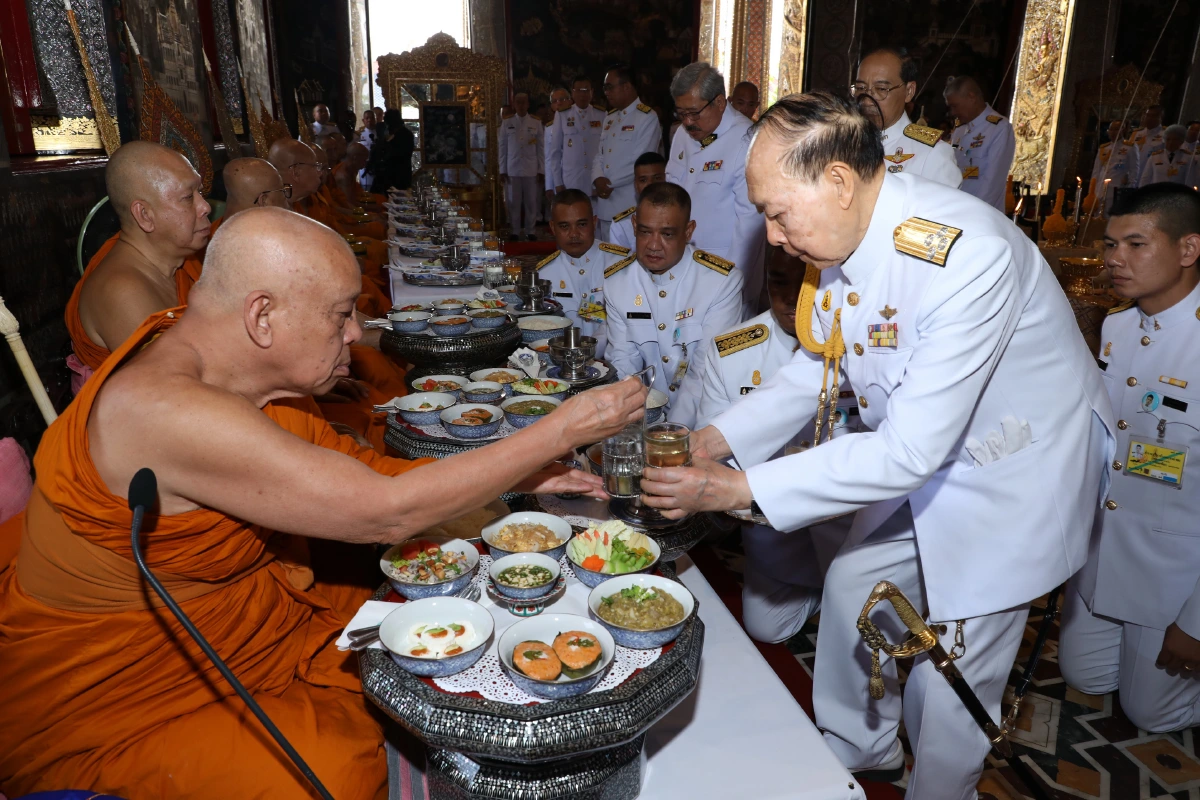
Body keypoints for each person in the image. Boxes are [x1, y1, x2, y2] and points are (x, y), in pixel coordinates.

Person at [0, 207, 647, 798]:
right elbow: (383, 508)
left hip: (251, 608)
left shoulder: (221, 357)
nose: (357, 329)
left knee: (409, 610)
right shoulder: (162, 410)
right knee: (332, 771)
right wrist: (558, 429)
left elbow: (357, 468)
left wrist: (528, 470)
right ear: (261, 316)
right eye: (340, 314)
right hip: (123, 694)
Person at [639, 92, 1114, 799]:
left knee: (953, 685)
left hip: (1012, 477)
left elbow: (908, 451)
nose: (769, 237)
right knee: (854, 584)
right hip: (929, 456)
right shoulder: (844, 237)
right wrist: (714, 439)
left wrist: (737, 489)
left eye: (776, 212)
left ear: (836, 181)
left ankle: (937, 788)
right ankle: (859, 747)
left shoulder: (965, 255)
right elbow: (816, 368)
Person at [1059, 183, 1200, 733]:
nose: (1114, 259)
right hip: (1108, 554)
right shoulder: (1117, 327)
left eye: (1136, 244)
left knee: (1151, 714)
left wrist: (1194, 625)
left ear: (1188, 250)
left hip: (1175, 575)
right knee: (1087, 676)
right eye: (1110, 244)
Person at [695, 247, 858, 643]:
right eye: (777, 281)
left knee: (863, 624)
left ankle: (839, 593)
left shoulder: (861, 344)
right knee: (765, 629)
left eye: (803, 282)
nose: (788, 297)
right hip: (770, 524)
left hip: (851, 524)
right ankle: (819, 592)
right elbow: (717, 460)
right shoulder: (730, 351)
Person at [605, 182, 744, 427]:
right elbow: (623, 364)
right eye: (645, 232)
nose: (654, 245)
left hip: (705, 421)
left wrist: (669, 435)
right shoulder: (618, 282)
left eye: (667, 234)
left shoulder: (720, 283)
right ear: (634, 225)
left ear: (688, 231)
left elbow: (704, 373)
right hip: (645, 418)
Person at [67, 141, 210, 376]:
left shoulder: (181, 261)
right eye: (187, 197)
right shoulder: (122, 292)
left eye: (200, 192)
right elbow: (176, 391)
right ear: (144, 215)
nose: (204, 206)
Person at [666, 62, 767, 316]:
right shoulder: (682, 134)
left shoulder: (748, 139)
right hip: (681, 270)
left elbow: (750, 224)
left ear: (720, 103)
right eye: (681, 113)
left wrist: (729, 282)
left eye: (694, 113)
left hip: (726, 275)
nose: (687, 122)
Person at [538, 189, 631, 357]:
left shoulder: (621, 263)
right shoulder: (545, 274)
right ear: (552, 227)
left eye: (581, 224)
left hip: (614, 360)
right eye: (564, 226)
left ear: (594, 223)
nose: (574, 234)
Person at [854, 47, 961, 189]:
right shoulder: (844, 141)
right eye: (860, 88)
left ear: (909, 91)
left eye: (881, 89)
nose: (867, 101)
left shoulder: (932, 154)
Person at [592, 65, 663, 239]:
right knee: (605, 260)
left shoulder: (647, 117)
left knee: (625, 261)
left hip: (627, 204)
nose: (606, 92)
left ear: (626, 87)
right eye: (604, 87)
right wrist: (597, 178)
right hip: (604, 203)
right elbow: (600, 154)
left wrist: (609, 183)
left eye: (610, 87)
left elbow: (642, 163)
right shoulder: (609, 118)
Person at [945, 76, 1016, 211]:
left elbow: (993, 181)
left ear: (971, 97)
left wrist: (974, 212)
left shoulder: (999, 128)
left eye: (955, 106)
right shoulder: (960, 130)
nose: (953, 112)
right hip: (955, 208)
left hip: (981, 212)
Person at [545, 78, 607, 199]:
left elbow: (606, 150)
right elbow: (555, 153)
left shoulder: (601, 114)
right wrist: (557, 183)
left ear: (592, 92)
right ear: (573, 93)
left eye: (586, 90)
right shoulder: (563, 114)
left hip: (595, 180)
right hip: (571, 181)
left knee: (595, 216)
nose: (582, 94)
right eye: (578, 90)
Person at [499, 92, 545, 241]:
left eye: (523, 102)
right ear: (514, 104)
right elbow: (502, 148)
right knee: (513, 201)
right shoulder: (507, 122)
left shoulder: (536, 122)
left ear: (528, 104)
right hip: (513, 168)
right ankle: (515, 230)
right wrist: (502, 169)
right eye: (518, 102)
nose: (520, 105)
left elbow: (541, 149)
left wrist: (541, 169)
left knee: (531, 201)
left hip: (530, 168)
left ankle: (531, 230)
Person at [609, 151, 667, 250]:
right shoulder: (621, 224)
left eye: (657, 178)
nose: (650, 184)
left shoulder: (680, 217)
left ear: (667, 179)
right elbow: (619, 263)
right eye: (643, 180)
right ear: (636, 185)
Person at [1091, 120, 1139, 214]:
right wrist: (1092, 191)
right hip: (1100, 191)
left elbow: (1134, 170)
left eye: (1116, 129)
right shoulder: (1104, 148)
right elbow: (1096, 171)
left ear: (1123, 130)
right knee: (1097, 219)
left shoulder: (1130, 147)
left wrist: (1129, 190)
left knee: (1111, 218)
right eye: (1111, 129)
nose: (1113, 132)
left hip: (1116, 190)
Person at [370, 108, 416, 193]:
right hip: (388, 176)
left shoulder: (405, 135)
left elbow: (399, 155)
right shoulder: (390, 133)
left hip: (399, 175)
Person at [1131, 104, 1165, 173]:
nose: (1149, 118)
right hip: (1134, 173)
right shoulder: (1137, 133)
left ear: (1160, 117)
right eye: (1147, 115)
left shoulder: (1166, 135)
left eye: (1153, 116)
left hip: (1153, 173)